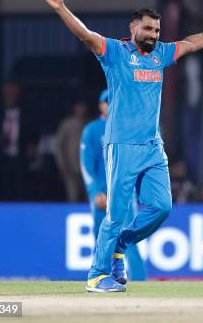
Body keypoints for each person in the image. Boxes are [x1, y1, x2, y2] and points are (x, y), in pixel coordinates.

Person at [42, 0, 203, 293]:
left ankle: (122, 245)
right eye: (147, 29)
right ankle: (97, 275)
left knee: (162, 207)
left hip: (153, 147)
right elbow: (85, 34)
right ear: (133, 28)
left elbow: (189, 43)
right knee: (115, 215)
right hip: (122, 146)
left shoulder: (159, 55)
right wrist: (61, 7)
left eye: (156, 31)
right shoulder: (114, 52)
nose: (153, 35)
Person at [80, 89, 146, 282]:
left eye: (114, 101)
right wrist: (95, 192)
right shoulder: (92, 131)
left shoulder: (130, 128)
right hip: (101, 195)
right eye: (107, 101)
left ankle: (140, 283)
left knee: (129, 239)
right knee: (101, 238)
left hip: (125, 193)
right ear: (101, 105)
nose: (110, 104)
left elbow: (138, 162)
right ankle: (101, 277)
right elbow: (86, 164)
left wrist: (136, 190)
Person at [54, 100, 88, 202]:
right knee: (72, 197)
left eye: (83, 107)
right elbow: (59, 146)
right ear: (75, 108)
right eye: (79, 107)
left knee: (90, 198)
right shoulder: (67, 124)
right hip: (70, 168)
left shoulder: (90, 124)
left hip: (87, 168)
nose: (81, 110)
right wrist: (62, 165)